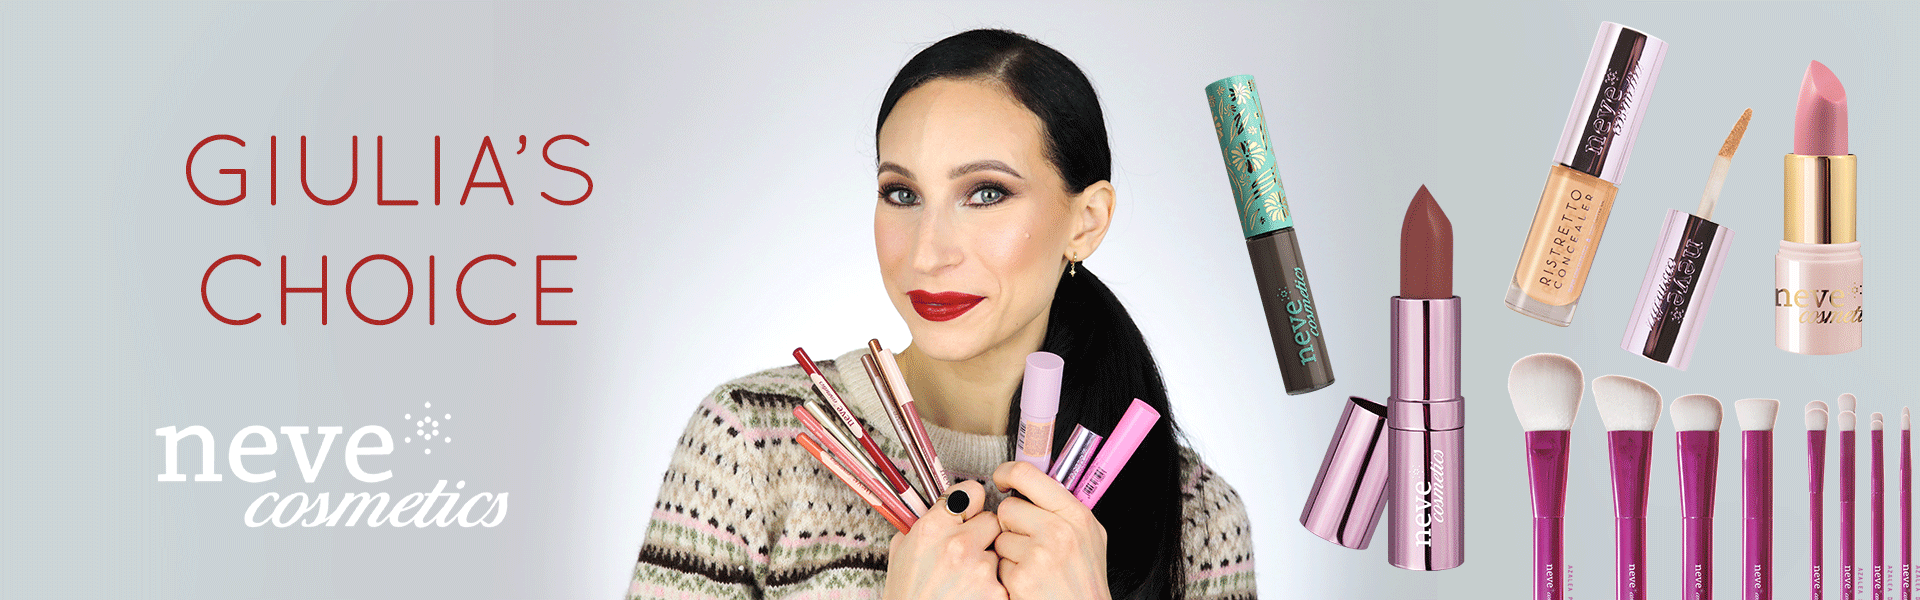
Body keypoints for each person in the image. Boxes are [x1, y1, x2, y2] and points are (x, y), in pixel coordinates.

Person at [628, 29, 1254, 600]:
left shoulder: (1196, 517)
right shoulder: (753, 442)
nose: (928, 253)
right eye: (902, 193)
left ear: (1086, 222)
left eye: (986, 193)